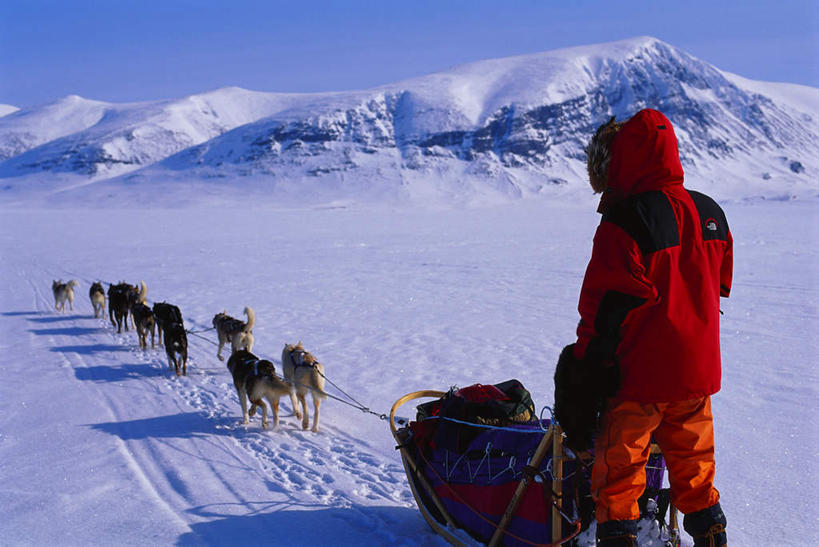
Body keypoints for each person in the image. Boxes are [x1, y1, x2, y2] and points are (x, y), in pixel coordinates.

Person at [554, 109, 732, 546]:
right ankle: (712, 537)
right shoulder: (711, 212)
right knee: (695, 467)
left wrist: (584, 373)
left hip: (639, 379)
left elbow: (604, 308)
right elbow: (719, 285)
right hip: (696, 375)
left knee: (619, 475)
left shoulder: (624, 221)